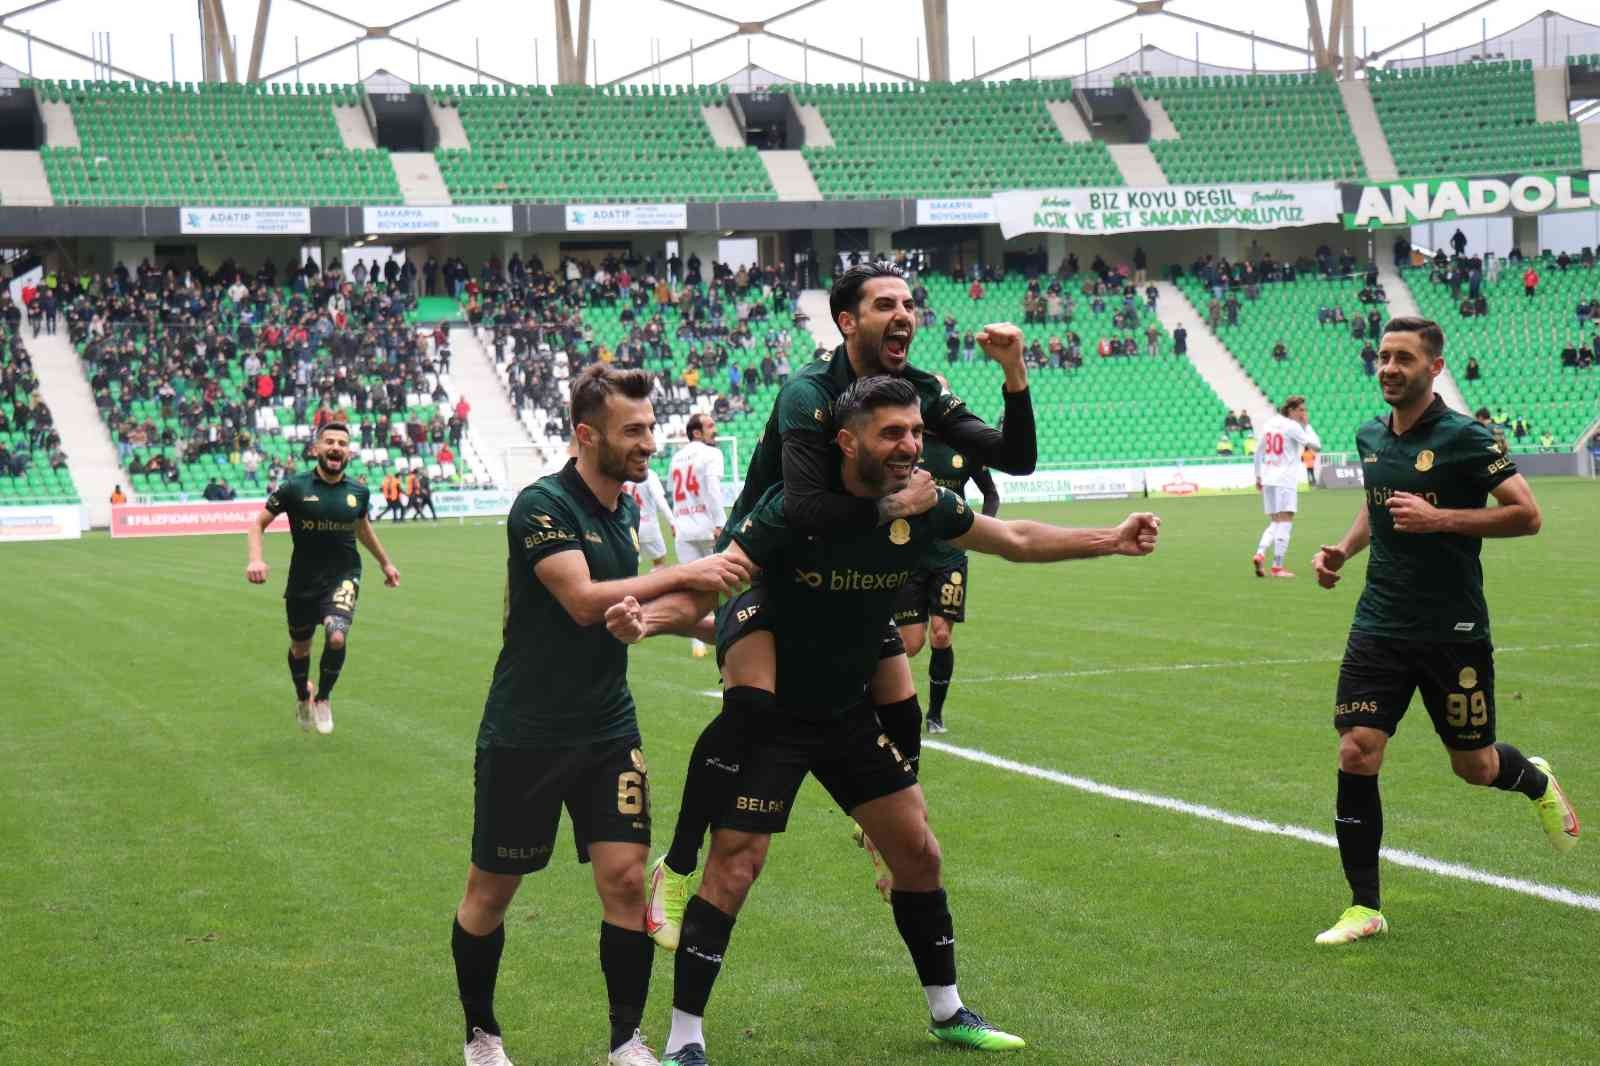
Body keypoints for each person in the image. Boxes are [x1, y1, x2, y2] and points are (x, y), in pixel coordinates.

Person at [606, 375, 1160, 1063]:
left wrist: (1113, 537)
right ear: (847, 441)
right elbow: (721, 580)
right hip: (778, 715)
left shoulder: (924, 504)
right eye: (892, 433)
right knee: (737, 866)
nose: (909, 447)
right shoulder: (792, 510)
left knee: (919, 853)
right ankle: (685, 1038)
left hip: (845, 712)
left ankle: (948, 1010)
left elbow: (1012, 536)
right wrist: (650, 617)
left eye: (916, 433)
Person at [641, 262, 1036, 951]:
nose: (905, 313)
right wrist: (901, 505)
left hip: (846, 570)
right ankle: (675, 867)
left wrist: (1014, 373)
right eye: (887, 303)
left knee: (900, 697)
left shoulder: (915, 392)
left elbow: (1016, 459)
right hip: (768, 564)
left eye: (911, 301)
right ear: (848, 321)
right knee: (751, 710)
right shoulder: (809, 394)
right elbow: (805, 508)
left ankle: (881, 838)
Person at [449, 366, 752, 1066]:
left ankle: (625, 1043)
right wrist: (687, 575)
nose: (649, 442)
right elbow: (584, 600)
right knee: (490, 893)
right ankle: (482, 1036)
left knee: (623, 879)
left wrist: (715, 630)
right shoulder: (542, 505)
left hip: (608, 730)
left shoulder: (627, 505)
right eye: (634, 430)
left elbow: (626, 613)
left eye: (651, 427)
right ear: (587, 436)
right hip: (525, 733)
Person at [1309, 315, 1579, 946]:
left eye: (1403, 359)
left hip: (1453, 628)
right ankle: (1364, 906)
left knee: (1475, 767)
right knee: (1357, 748)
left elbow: (1527, 515)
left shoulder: (1466, 438)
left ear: (1434, 368)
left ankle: (1532, 778)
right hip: (1379, 623)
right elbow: (1377, 504)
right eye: (1382, 357)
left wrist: (1441, 520)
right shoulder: (1371, 434)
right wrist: (1344, 553)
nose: (1388, 369)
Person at [244, 422, 400, 735]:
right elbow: (257, 524)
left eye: (342, 443)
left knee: (337, 635)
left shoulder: (358, 492)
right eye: (329, 441)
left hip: (344, 575)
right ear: (317, 448)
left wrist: (386, 563)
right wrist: (255, 558)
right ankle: (304, 695)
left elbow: (362, 528)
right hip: (303, 580)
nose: (336, 447)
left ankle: (324, 698)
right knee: (300, 648)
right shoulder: (294, 487)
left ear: (349, 452)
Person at [890, 408, 1000, 736]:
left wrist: (983, 530)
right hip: (908, 557)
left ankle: (935, 715)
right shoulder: (907, 448)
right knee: (910, 644)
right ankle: (876, 699)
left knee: (941, 634)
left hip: (950, 557)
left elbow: (990, 494)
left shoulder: (965, 448)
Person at [668, 414, 726, 657]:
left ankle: (697, 642)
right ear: (697, 433)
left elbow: (673, 492)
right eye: (710, 426)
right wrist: (720, 522)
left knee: (692, 586)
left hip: (684, 527)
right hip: (707, 524)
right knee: (723, 582)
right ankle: (727, 633)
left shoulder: (676, 458)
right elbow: (712, 489)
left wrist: (674, 520)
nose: (715, 429)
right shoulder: (712, 454)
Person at [1252, 396, 1321, 578]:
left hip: (1268, 478)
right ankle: (1277, 566)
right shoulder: (1293, 426)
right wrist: (1307, 426)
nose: (1304, 414)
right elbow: (1316, 446)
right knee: (1286, 521)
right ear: (1291, 410)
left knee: (1275, 521)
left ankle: (1260, 552)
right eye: (1301, 410)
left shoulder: (1269, 424)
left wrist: (1258, 476)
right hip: (1285, 480)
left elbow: (1258, 452)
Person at [621, 463, 674, 570]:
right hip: (648, 525)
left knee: (631, 566)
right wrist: (672, 522)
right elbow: (660, 500)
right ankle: (656, 586)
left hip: (627, 526)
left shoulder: (623, 475)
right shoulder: (649, 474)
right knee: (659, 562)